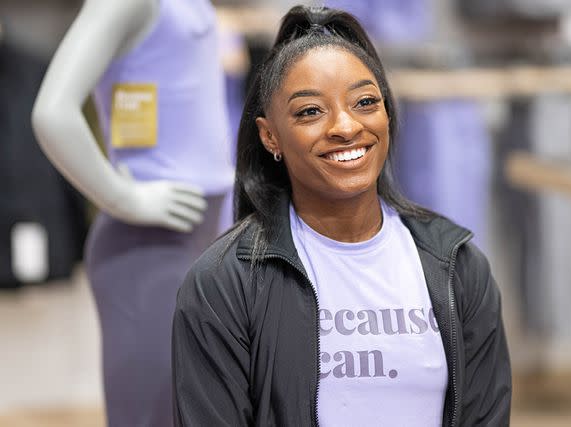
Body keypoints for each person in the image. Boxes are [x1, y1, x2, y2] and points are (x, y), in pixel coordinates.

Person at [172, 5, 511, 426]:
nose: (346, 126)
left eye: (365, 102)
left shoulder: (458, 267)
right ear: (269, 135)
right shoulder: (223, 284)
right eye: (310, 111)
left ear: (387, 113)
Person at [31, 0, 234, 425]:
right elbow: (52, 113)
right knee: (151, 413)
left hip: (198, 235)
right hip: (147, 246)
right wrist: (124, 198)